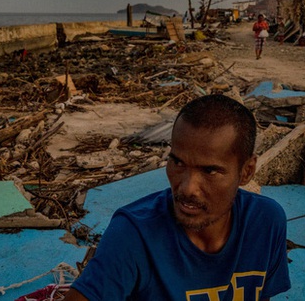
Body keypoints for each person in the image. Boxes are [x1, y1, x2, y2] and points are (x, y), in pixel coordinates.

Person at [64, 94, 291, 301]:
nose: (187, 188)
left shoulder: (266, 223)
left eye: (209, 171)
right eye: (178, 163)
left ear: (247, 171)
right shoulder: (134, 234)